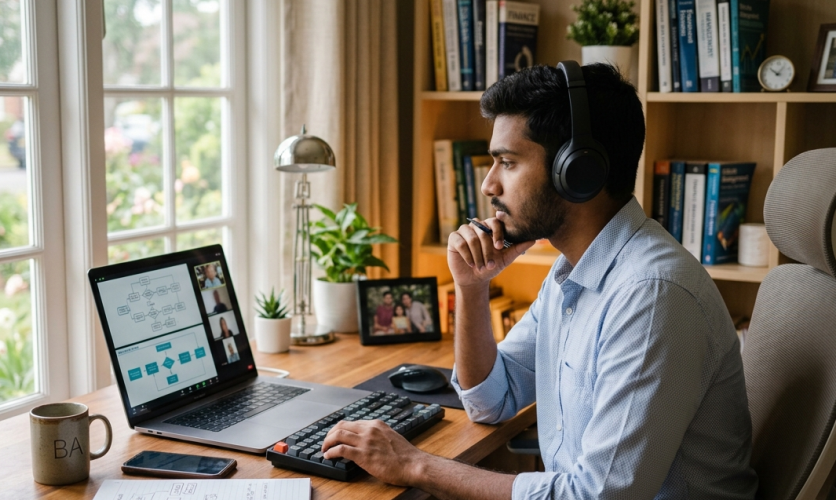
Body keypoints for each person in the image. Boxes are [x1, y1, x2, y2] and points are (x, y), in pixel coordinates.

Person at [320, 63, 757, 498]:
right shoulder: (572, 271)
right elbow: (491, 401)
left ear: (579, 172)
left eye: (507, 162)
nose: (489, 185)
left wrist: (416, 464)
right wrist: (472, 288)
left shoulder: (652, 296)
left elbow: (596, 497)